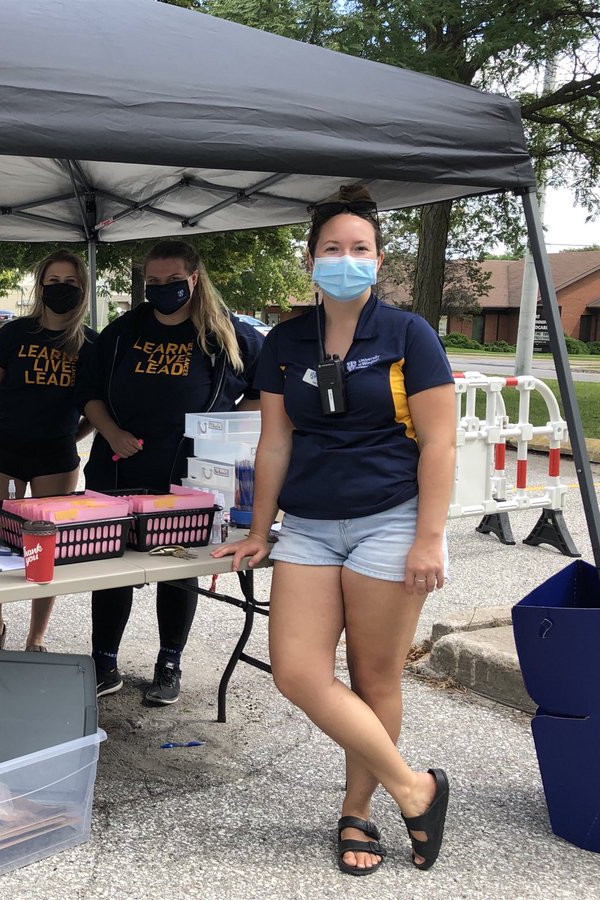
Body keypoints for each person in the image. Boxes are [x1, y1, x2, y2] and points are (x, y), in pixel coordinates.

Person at [213, 186, 456, 875]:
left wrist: (429, 538)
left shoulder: (410, 335)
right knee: (297, 672)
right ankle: (417, 788)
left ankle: (360, 811)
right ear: (310, 259)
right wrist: (260, 528)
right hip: (311, 528)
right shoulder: (286, 340)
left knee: (374, 676)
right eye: (331, 249)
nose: (344, 260)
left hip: (391, 520)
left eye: (359, 249)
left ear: (379, 261)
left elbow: (439, 444)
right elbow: (274, 443)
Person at [79, 240, 264, 705]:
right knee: (110, 566)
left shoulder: (228, 337)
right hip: (118, 469)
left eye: (172, 282)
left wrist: (222, 431)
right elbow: (89, 394)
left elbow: (268, 393)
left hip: (188, 478)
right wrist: (113, 432)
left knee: (179, 571)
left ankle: (169, 663)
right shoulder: (122, 333)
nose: (162, 290)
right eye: (153, 283)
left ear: (194, 280)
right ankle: (104, 662)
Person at [0, 250, 97, 652]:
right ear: (40, 286)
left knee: (45, 548)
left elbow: (97, 407)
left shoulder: (90, 343)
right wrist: (13, 425)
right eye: (53, 282)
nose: (60, 290)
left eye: (70, 283)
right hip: (5, 449)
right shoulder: (14, 334)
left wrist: (70, 437)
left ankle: (36, 636)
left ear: (82, 289)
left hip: (56, 457)